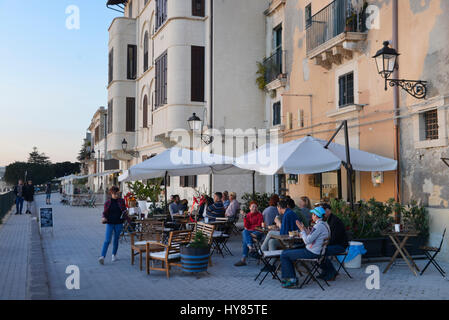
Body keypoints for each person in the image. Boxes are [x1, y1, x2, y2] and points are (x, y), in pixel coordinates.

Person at [280, 207, 331, 288]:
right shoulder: (325, 224)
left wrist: (302, 230)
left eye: (313, 214)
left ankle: (291, 281)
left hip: (312, 252)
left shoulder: (318, 226)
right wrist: (306, 231)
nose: (312, 216)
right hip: (317, 251)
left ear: (316, 215)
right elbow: (313, 237)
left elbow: (307, 241)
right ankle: (291, 278)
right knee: (288, 252)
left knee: (284, 255)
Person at [99, 186, 131, 264]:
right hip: (110, 223)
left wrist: (127, 215)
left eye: (118, 193)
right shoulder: (107, 202)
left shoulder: (121, 201)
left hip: (119, 223)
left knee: (116, 239)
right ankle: (102, 256)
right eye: (115, 193)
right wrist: (103, 218)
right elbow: (105, 213)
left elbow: (124, 211)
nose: (117, 195)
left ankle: (114, 254)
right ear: (112, 193)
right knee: (107, 240)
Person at [319, 203, 349, 281]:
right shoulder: (326, 220)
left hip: (340, 245)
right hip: (333, 243)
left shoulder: (335, 221)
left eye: (323, 211)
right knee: (317, 250)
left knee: (322, 251)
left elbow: (334, 238)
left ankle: (332, 272)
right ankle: (326, 271)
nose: (321, 214)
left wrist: (324, 244)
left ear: (328, 211)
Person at [234, 201, 263, 266]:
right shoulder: (248, 215)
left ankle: (244, 259)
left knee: (245, 235)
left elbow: (258, 226)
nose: (254, 208)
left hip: (257, 232)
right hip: (250, 232)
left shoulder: (259, 215)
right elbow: (246, 226)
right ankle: (250, 247)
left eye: (255, 207)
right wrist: (245, 217)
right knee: (245, 233)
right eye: (253, 207)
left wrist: (251, 229)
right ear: (249, 208)